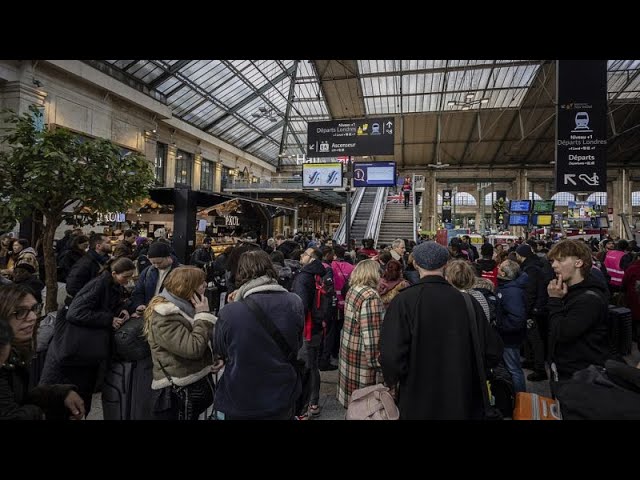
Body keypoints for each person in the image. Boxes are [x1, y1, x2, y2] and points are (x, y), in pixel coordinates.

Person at [379, 241, 503, 419]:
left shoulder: (403, 301)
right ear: (445, 264)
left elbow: (391, 354)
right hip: (463, 398)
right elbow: (493, 351)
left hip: (417, 398)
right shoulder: (468, 302)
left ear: (416, 264)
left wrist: (395, 380)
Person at [213, 250, 304, 419]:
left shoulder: (230, 311)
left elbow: (221, 350)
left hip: (241, 395)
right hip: (282, 392)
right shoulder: (294, 302)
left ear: (240, 273)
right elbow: (297, 343)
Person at [40, 258, 136, 415]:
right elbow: (75, 312)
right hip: (74, 353)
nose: (128, 280)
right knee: (67, 406)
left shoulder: (113, 285)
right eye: (126, 277)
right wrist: (109, 319)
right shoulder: (99, 284)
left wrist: (124, 309)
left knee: (81, 403)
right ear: (114, 273)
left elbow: (108, 306)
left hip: (84, 354)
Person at [0, 284, 84, 420]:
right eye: (20, 312)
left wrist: (60, 393)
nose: (32, 317)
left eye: (34, 308)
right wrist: (41, 413)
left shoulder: (18, 350)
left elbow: (20, 397)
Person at [144, 266, 218, 420]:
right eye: (200, 283)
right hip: (179, 389)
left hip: (194, 380)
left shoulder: (187, 307)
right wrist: (203, 315)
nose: (205, 285)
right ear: (187, 288)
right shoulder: (164, 315)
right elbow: (193, 348)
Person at [547, 239, 611, 390]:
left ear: (578, 263)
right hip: (568, 370)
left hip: (582, 377)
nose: (554, 265)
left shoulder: (588, 300)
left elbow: (562, 333)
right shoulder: (569, 292)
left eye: (560, 260)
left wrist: (555, 301)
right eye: (553, 261)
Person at [336, 259, 385, 408]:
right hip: (362, 359)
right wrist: (379, 365)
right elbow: (372, 336)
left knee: (353, 406)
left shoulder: (354, 289)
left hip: (349, 351)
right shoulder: (370, 296)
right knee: (365, 407)